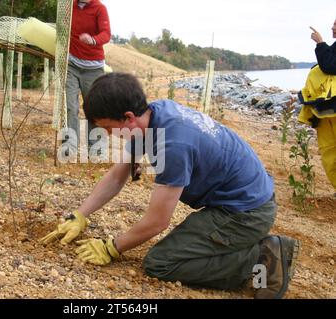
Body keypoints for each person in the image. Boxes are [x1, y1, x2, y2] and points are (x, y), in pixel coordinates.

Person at [41, 73, 301, 299]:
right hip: (240, 198)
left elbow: (157, 222)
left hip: (247, 212)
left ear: (128, 117)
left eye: (108, 128)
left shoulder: (173, 145)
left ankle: (261, 257)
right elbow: (118, 175)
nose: (108, 135)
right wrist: (80, 214)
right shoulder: (153, 116)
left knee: (161, 263)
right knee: (173, 253)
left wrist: (112, 247)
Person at [65, 0, 111, 155]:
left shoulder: (99, 8)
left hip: (93, 68)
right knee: (71, 106)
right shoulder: (70, 5)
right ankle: (70, 147)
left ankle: (96, 150)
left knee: (93, 108)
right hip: (71, 64)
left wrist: (93, 40)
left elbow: (106, 33)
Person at [300, 20, 336, 194]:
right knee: (329, 149)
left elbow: (330, 66)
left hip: (331, 109)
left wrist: (320, 42)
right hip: (327, 111)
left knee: (331, 149)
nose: (332, 27)